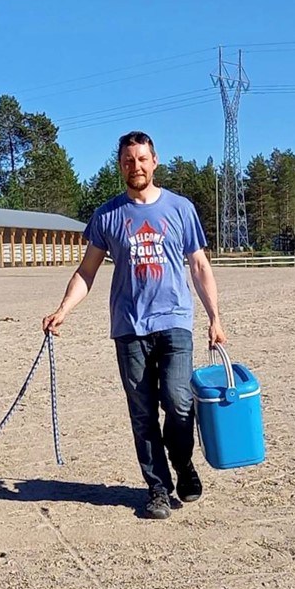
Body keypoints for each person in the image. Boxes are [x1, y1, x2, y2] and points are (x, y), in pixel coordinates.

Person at [43, 131, 227, 520]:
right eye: (128, 161)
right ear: (120, 165)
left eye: (142, 159)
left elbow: (199, 265)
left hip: (174, 321)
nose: (136, 167)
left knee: (178, 403)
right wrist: (63, 309)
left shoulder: (180, 209)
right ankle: (158, 488)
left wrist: (214, 317)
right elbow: (86, 271)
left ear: (154, 161)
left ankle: (184, 465)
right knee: (142, 413)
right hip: (129, 328)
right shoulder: (107, 216)